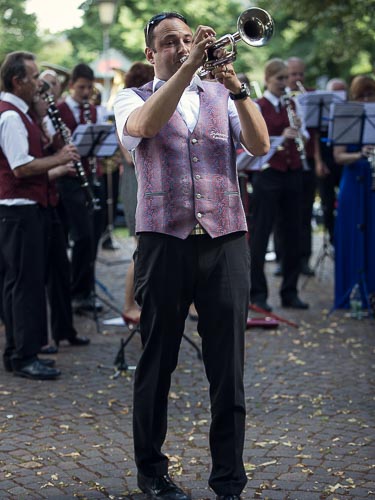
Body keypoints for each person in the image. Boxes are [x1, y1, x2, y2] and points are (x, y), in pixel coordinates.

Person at [114, 11, 269, 500]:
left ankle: (228, 480)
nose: (181, 47)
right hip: (164, 242)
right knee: (157, 362)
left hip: (225, 240)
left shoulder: (221, 95)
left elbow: (259, 145)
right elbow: (145, 126)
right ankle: (152, 472)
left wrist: (237, 87)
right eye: (169, 42)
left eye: (187, 39)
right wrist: (189, 68)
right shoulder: (129, 99)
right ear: (149, 54)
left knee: (228, 369)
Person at [0, 51, 79, 379]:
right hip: (19, 211)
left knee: (20, 283)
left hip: (25, 209)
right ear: (18, 81)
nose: (38, 83)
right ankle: (23, 355)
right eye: (33, 78)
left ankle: (19, 351)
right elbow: (21, 166)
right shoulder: (11, 117)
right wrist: (60, 158)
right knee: (25, 285)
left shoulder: (22, 113)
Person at [33, 82, 90, 351]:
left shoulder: (45, 123)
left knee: (59, 269)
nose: (50, 99)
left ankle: (64, 330)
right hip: (33, 204)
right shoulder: (18, 120)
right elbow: (20, 170)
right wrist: (59, 165)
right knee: (35, 276)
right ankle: (36, 340)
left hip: (52, 199)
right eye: (44, 95)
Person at [249, 58, 309, 312]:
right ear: (268, 80)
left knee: (294, 232)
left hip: (293, 172)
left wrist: (298, 131)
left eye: (287, 78)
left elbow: (304, 134)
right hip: (268, 173)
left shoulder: (293, 104)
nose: (285, 83)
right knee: (261, 234)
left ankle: (290, 291)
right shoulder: (257, 105)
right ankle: (258, 294)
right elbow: (254, 142)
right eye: (280, 79)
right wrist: (280, 136)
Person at [56, 63, 104, 312]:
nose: (86, 92)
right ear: (72, 85)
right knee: (82, 236)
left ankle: (86, 291)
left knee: (92, 237)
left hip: (89, 179)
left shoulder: (93, 111)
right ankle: (76, 293)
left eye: (89, 87)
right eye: (81, 87)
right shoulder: (60, 109)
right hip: (67, 180)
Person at [333, 75, 375, 310]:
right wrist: (361, 153)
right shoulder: (346, 115)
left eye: (371, 94)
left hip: (372, 182)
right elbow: (339, 156)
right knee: (350, 233)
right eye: (361, 95)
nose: (367, 100)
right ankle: (350, 292)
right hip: (353, 180)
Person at [316, 78, 347, 246]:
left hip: (344, 162)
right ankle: (333, 239)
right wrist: (319, 161)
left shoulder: (349, 110)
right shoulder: (321, 111)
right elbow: (314, 136)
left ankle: (345, 235)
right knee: (327, 203)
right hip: (326, 159)